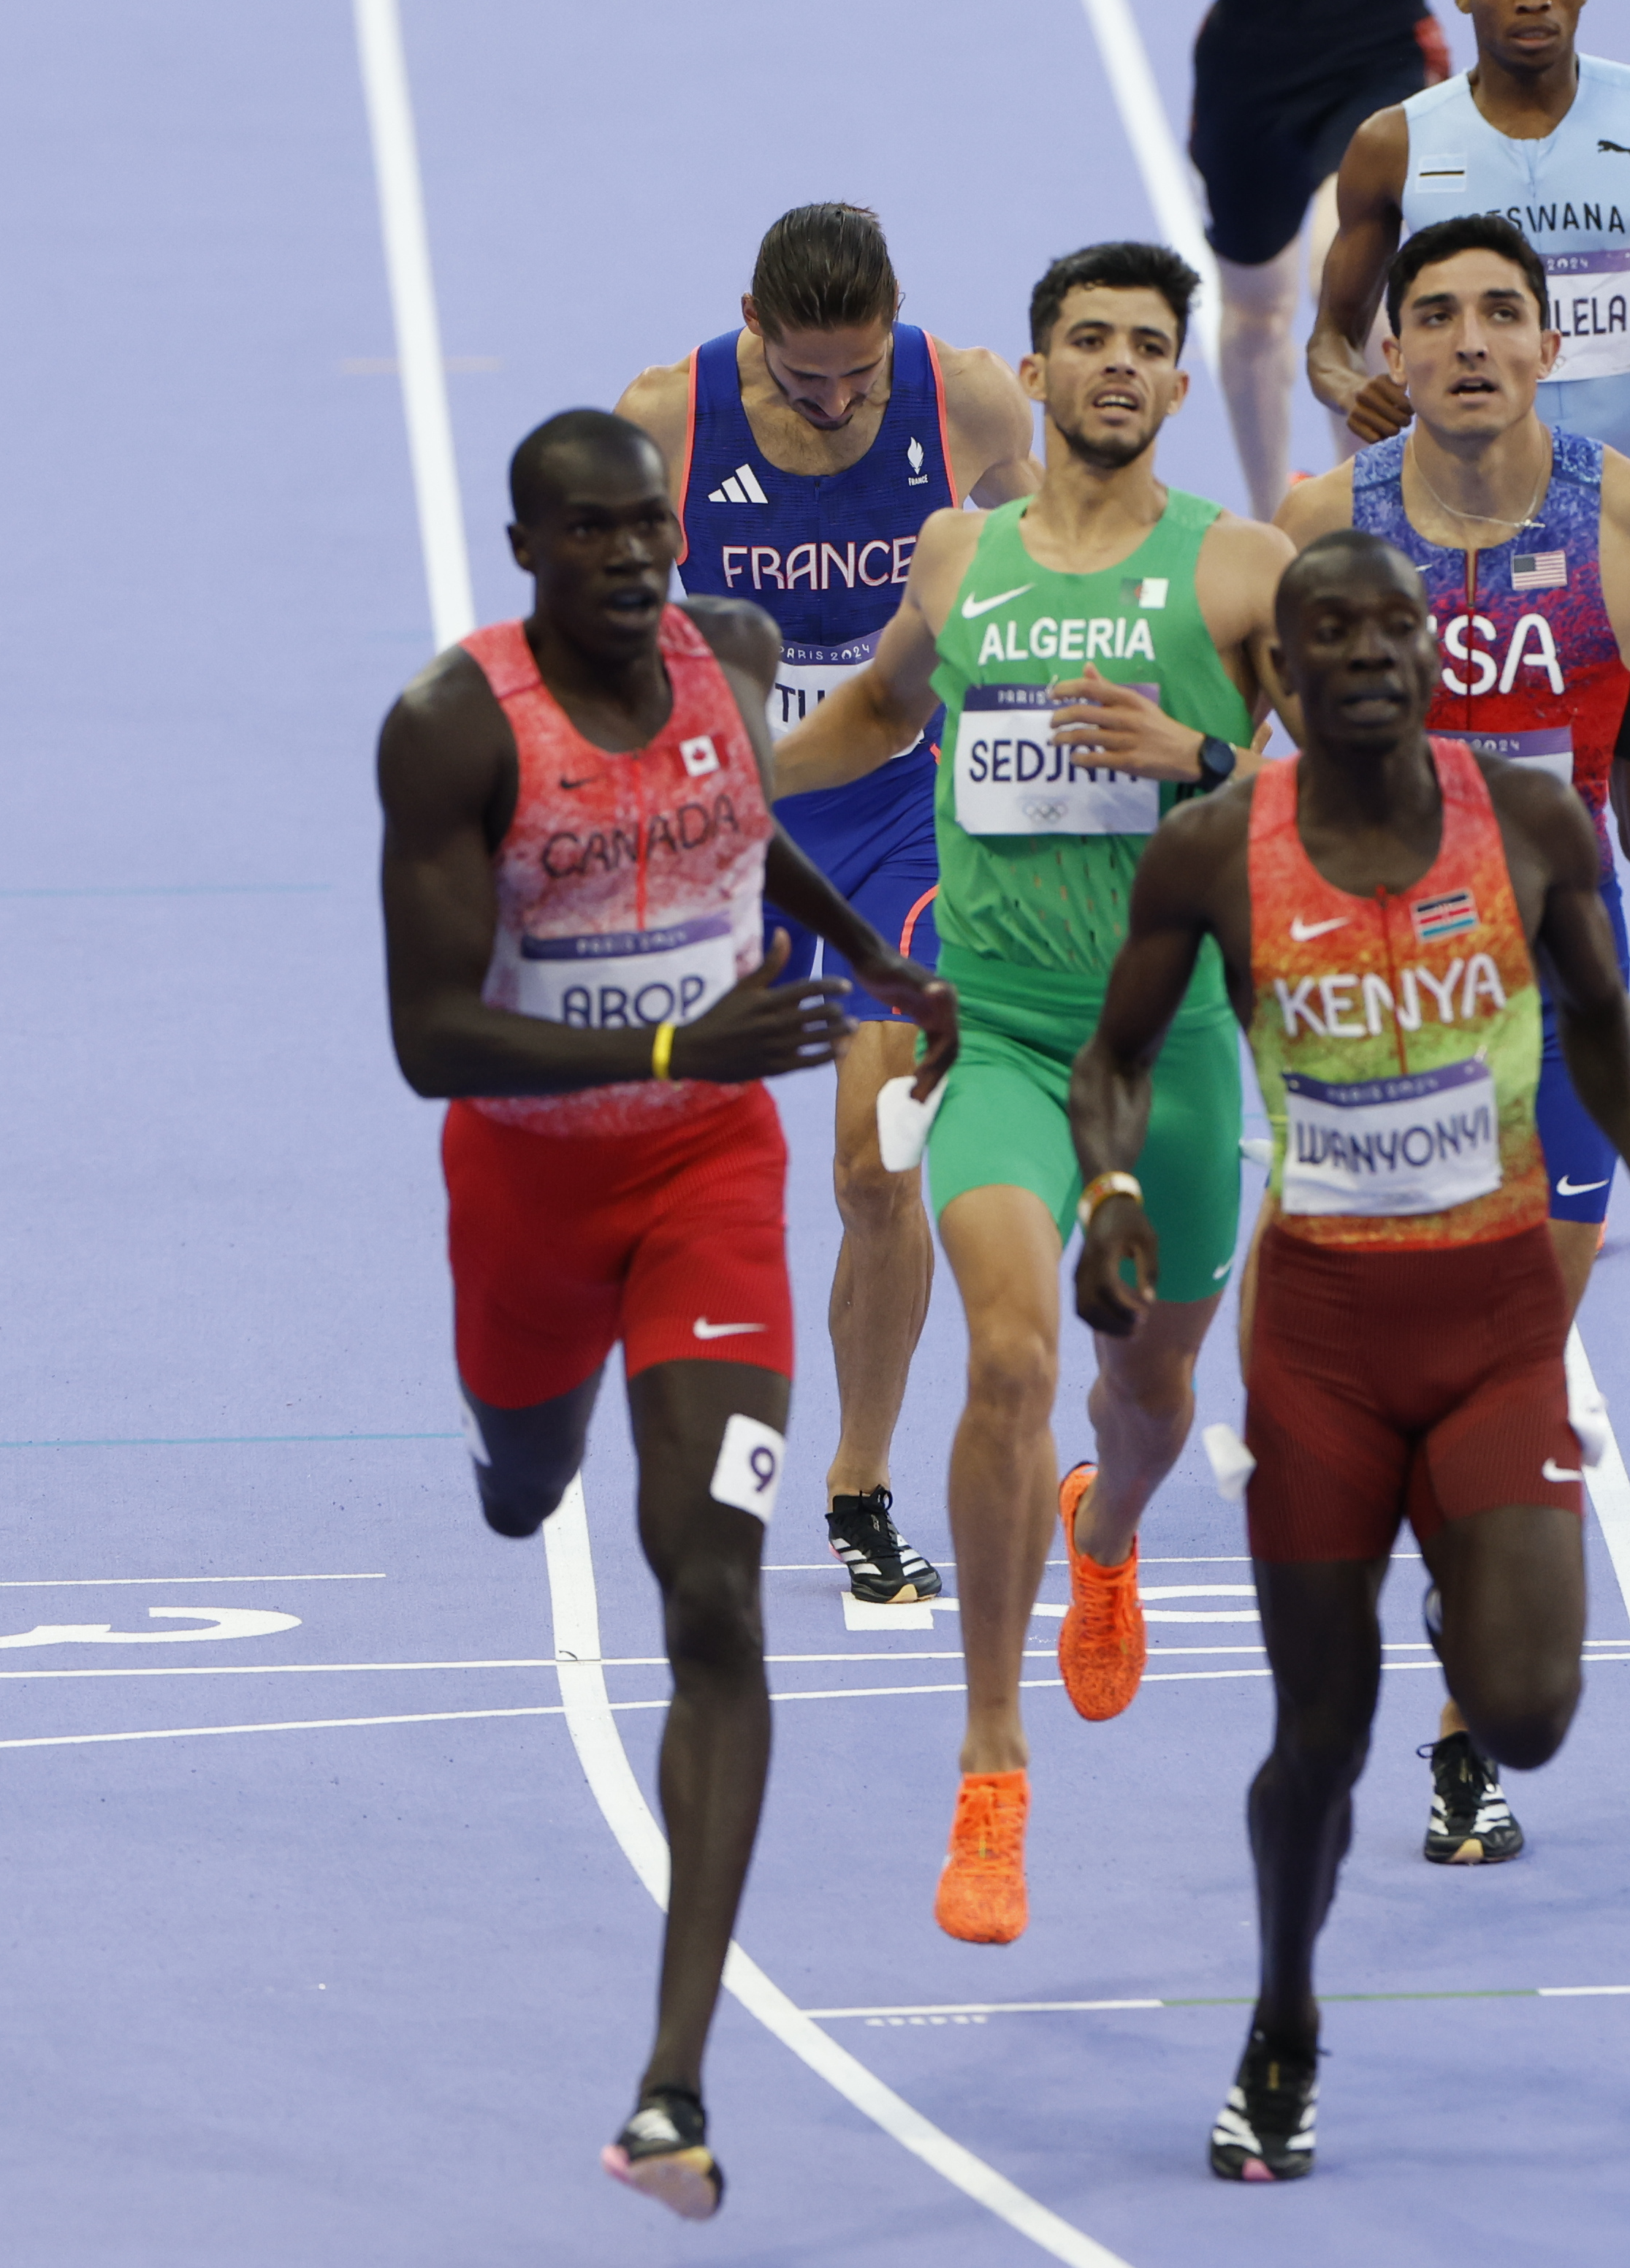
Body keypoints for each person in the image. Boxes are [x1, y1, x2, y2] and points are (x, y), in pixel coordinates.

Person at [1066, 528, 1630, 2181]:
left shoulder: (1531, 823)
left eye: (1391, 630)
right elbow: (1116, 1056)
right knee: (1323, 1734)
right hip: (1329, 1346)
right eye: (1326, 634)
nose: (1364, 654)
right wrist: (1116, 1185)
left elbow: (1597, 1019)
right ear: (1277, 677)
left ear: (1431, 658)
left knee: (1531, 1709)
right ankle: (1282, 2023)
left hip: (1496, 1325)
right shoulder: (1216, 852)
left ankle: (1464, 1576)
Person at [374, 409, 953, 2217]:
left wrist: (867, 962)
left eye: (651, 529)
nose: (634, 561)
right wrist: (661, 1038)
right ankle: (507, 1438)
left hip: (710, 1175)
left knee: (708, 1582)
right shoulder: (455, 729)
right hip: (532, 1188)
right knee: (530, 1480)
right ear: (526, 548)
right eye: (594, 537)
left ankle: (673, 2084)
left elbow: (742, 832)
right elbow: (423, 1042)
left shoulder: (739, 659)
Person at [1277, 212, 1630, 1858]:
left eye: (1502, 316)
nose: (1470, 341)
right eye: (1439, 317)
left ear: (1552, 344)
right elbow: (1228, 718)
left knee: (1506, 1381)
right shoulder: (1328, 523)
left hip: (1557, 1021)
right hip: (1368, 1028)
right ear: (1390, 358)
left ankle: (1461, 1730)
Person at [775, 242, 1296, 1944]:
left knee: (1141, 1404)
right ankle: (989, 1768)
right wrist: (702, 776)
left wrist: (1203, 761)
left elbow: (1350, 792)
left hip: (1174, 1051)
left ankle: (1112, 1527)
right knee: (1004, 1349)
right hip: (996, 1042)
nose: (1124, 370)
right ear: (1041, 366)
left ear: (1173, 376)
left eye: (1153, 347)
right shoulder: (960, 553)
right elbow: (871, 710)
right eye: (1093, 343)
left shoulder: (1239, 575)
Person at [614, 205, 1036, 1610]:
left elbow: (1040, 548)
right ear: (751, 324)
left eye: (860, 374)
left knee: (872, 1167)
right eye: (807, 381)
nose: (842, 403)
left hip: (898, 826)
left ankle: (858, 1484)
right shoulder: (665, 418)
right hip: (726, 828)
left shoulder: (959, 391)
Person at [1309, 0, 1630, 910]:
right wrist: (1349, 386)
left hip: (1628, 525)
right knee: (1452, 844)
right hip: (1459, 540)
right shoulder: (1394, 143)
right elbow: (1329, 336)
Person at [1187, 0, 1452, 517]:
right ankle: (1270, 522)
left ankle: (1363, 516)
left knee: (1348, 281)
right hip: (1247, 64)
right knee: (1253, 318)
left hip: (1374, 46)